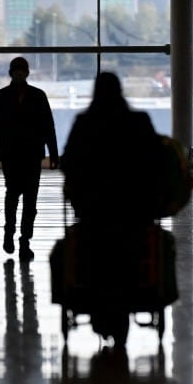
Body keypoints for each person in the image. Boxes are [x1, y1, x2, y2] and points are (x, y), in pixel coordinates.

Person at [58, 72, 167, 343]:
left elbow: (69, 163)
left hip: (93, 211)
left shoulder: (84, 123)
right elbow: (157, 160)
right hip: (135, 210)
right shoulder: (139, 121)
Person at [0, 56, 59, 261]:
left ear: (25, 73)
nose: (19, 74)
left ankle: (23, 239)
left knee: (27, 199)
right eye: (17, 70)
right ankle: (12, 234)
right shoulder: (9, 96)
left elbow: (48, 126)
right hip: (13, 154)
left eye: (21, 70)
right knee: (15, 194)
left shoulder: (32, 96)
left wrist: (54, 153)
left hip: (29, 154)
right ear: (13, 73)